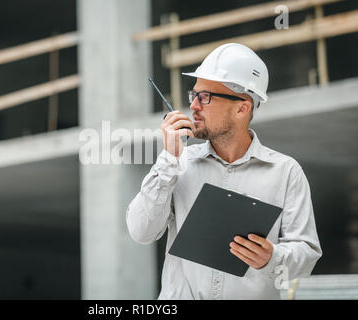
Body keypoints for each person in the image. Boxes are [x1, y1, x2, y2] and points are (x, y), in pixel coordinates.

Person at [126, 43, 322, 299]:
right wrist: (169, 159)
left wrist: (271, 258)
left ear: (242, 108)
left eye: (205, 97)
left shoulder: (285, 172)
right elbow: (141, 231)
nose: (194, 106)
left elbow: (306, 256)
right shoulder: (177, 164)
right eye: (193, 95)